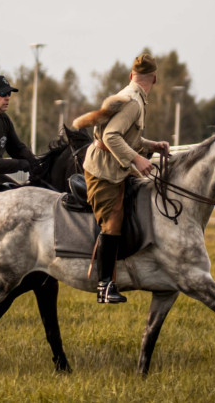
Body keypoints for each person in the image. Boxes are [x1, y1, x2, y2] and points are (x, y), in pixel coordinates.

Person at [81, 52, 170, 304]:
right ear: (154, 79)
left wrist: (151, 145)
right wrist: (137, 160)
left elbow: (127, 138)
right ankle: (104, 287)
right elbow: (111, 137)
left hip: (113, 169)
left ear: (132, 76)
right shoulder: (134, 102)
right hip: (104, 173)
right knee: (113, 222)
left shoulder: (132, 97)